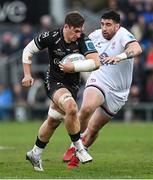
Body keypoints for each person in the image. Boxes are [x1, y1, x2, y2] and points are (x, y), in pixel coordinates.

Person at [63, 9, 142, 168]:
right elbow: (78, 48)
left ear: (117, 26)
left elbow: (137, 49)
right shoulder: (94, 36)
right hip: (99, 79)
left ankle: (81, 153)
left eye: (108, 24)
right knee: (86, 109)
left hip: (119, 92)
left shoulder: (123, 35)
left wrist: (119, 57)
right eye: (102, 24)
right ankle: (75, 146)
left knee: (93, 129)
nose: (104, 28)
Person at [22, 11, 100, 171]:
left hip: (73, 84)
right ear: (66, 27)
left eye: (81, 31)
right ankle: (79, 149)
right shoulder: (51, 37)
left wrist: (74, 67)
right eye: (76, 31)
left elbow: (96, 63)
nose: (78, 35)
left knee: (53, 121)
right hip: (54, 81)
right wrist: (27, 74)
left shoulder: (83, 39)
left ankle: (35, 153)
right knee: (71, 107)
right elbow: (27, 51)